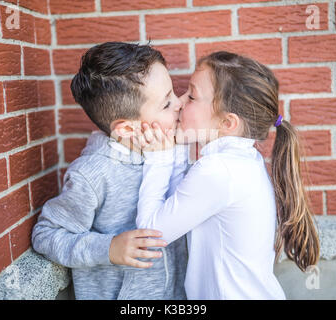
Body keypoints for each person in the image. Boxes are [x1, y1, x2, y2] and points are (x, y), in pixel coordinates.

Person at [135, 51, 320, 300]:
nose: (179, 101)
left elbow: (149, 235)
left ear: (227, 123)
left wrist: (157, 157)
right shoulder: (240, 161)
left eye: (191, 96)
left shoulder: (219, 171)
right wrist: (178, 146)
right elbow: (178, 208)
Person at [31, 42, 188, 300]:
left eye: (173, 94)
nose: (179, 104)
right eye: (165, 103)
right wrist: (109, 248)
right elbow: (45, 234)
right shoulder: (93, 173)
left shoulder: (169, 149)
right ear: (126, 129)